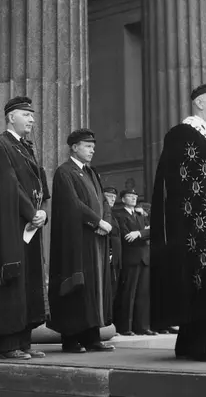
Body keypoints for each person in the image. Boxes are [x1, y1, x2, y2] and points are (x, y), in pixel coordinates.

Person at [150, 82, 206, 362]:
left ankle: (189, 343)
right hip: (194, 227)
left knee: (205, 281)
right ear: (199, 103)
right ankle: (200, 345)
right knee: (199, 280)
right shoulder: (183, 134)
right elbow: (177, 183)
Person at [0, 96, 49, 360]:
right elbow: (8, 184)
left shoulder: (26, 147)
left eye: (32, 115)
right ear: (11, 117)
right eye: (26, 115)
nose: (32, 119)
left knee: (27, 280)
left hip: (28, 224)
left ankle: (23, 340)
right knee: (12, 279)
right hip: (10, 223)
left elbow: (39, 185)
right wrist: (32, 212)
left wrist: (43, 212)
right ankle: (6, 344)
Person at [48, 129, 115, 353]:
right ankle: (71, 339)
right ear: (74, 147)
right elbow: (72, 203)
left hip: (96, 239)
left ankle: (92, 338)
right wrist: (97, 221)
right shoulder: (64, 172)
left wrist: (106, 221)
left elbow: (104, 202)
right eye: (87, 146)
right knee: (78, 287)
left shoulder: (91, 172)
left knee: (94, 289)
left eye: (93, 147)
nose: (92, 150)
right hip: (78, 239)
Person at [115, 188, 156, 336]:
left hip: (144, 257)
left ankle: (142, 326)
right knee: (129, 294)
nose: (133, 198)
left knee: (143, 294)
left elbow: (152, 230)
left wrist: (139, 233)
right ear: (123, 199)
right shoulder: (119, 214)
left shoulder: (140, 215)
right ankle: (126, 327)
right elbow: (126, 236)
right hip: (130, 258)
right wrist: (142, 233)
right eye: (130, 196)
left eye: (135, 196)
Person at [104, 186, 122, 308]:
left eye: (114, 197)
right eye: (109, 196)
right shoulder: (103, 213)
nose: (113, 199)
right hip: (108, 256)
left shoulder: (112, 214)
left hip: (116, 257)